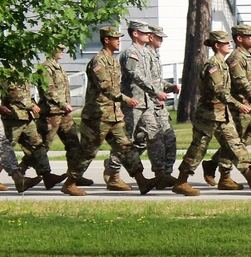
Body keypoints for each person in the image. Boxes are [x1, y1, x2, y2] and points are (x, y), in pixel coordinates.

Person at [60, 25, 157, 196]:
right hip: (97, 116)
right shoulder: (98, 62)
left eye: (119, 38)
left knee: (126, 148)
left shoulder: (113, 60)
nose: (119, 41)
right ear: (106, 40)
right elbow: (105, 87)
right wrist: (126, 99)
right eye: (116, 38)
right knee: (88, 152)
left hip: (114, 115)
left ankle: (141, 181)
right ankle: (70, 183)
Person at [171, 30, 251, 196]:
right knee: (198, 148)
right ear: (217, 45)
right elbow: (220, 91)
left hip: (222, 114)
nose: (229, 44)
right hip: (208, 116)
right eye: (225, 43)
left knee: (235, 145)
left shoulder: (223, 64)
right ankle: (181, 182)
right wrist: (237, 104)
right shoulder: (213, 66)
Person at [103, 21, 158, 190]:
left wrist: (160, 92)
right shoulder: (131, 53)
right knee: (126, 139)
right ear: (135, 34)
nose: (148, 35)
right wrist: (155, 90)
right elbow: (135, 75)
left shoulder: (147, 53)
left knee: (152, 134)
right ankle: (113, 171)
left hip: (146, 102)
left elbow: (152, 76)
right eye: (144, 33)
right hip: (132, 103)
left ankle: (159, 173)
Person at [0, 75, 65, 190]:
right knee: (5, 148)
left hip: (26, 117)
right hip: (13, 118)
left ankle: (47, 175)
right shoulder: (8, 73)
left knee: (38, 146)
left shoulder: (21, 71)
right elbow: (14, 94)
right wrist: (31, 105)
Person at [34, 47, 91, 187]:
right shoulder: (45, 68)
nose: (63, 51)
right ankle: (25, 173)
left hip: (63, 113)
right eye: (59, 48)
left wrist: (65, 106)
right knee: (42, 146)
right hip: (51, 113)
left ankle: (75, 176)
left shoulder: (58, 67)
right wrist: (63, 104)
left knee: (73, 144)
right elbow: (49, 91)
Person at [146, 24, 180, 185]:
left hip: (160, 107)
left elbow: (157, 81)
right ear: (150, 37)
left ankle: (166, 173)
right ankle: (113, 168)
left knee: (170, 139)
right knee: (149, 141)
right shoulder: (144, 56)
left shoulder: (155, 55)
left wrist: (170, 87)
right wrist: (155, 97)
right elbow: (141, 82)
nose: (161, 40)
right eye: (158, 37)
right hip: (149, 106)